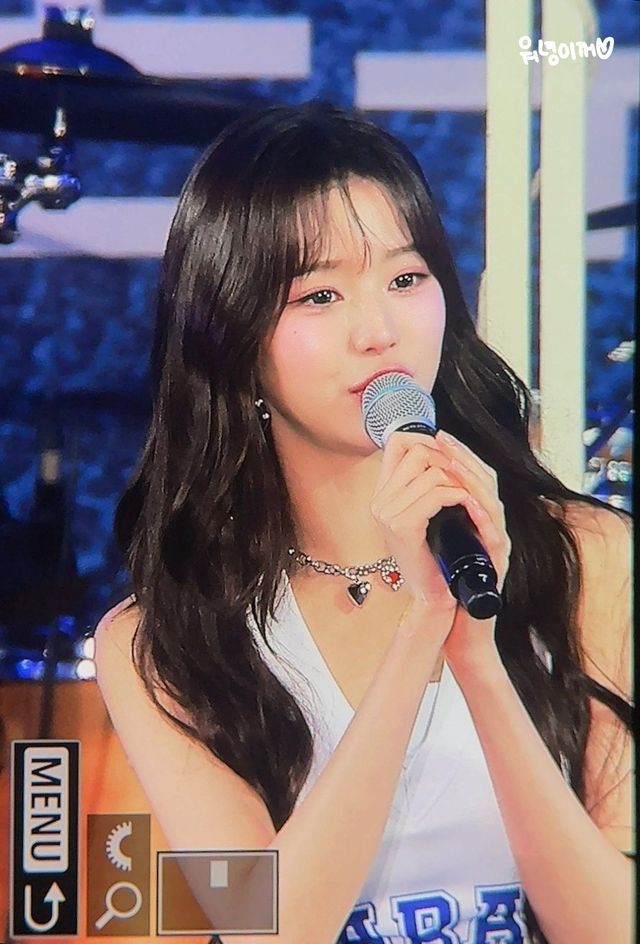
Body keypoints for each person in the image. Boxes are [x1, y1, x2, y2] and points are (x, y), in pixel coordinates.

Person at [94, 102, 633, 944]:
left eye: (406, 279)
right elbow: (263, 929)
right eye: (319, 295)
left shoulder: (587, 556)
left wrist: (477, 660)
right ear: (235, 339)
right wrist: (420, 630)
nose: (379, 331)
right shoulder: (163, 640)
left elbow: (609, 928)